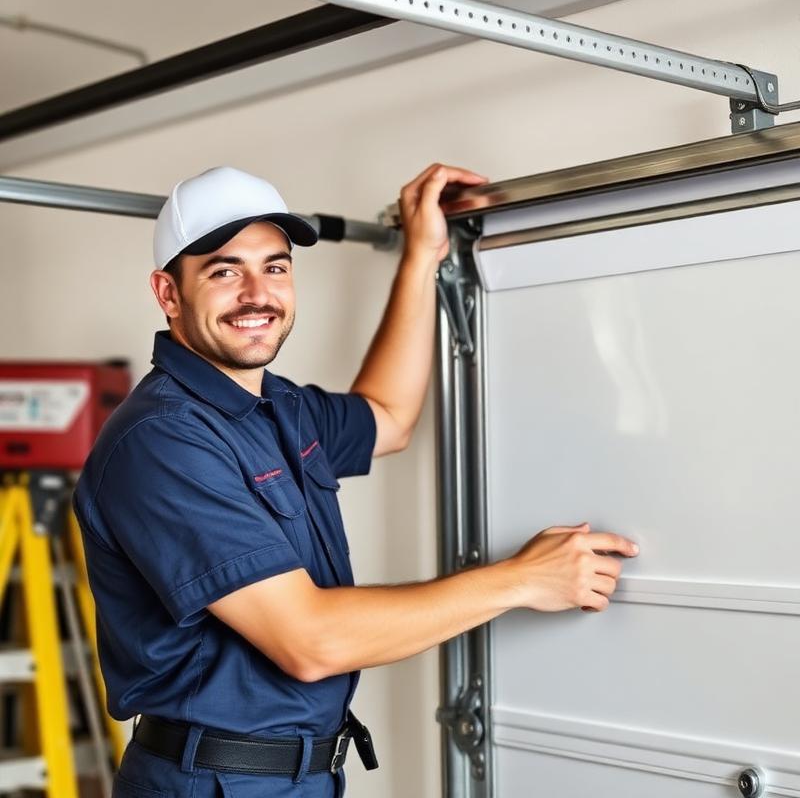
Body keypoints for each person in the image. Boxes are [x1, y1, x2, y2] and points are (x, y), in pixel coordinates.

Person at [73, 163, 639, 798]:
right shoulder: (162, 439)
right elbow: (308, 640)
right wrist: (523, 579)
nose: (257, 293)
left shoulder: (279, 408)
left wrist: (420, 257)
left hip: (302, 776)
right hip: (215, 784)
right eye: (225, 270)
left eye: (275, 266)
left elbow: (390, 418)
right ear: (168, 293)